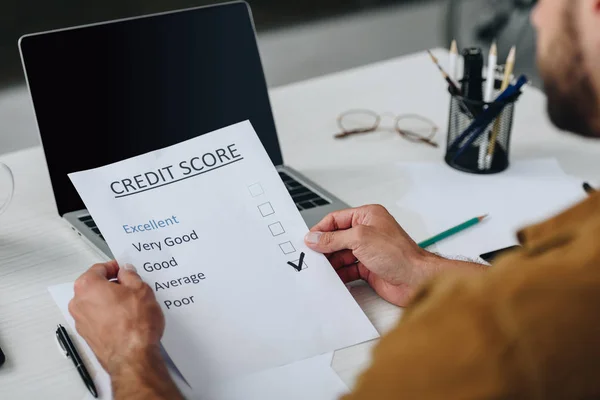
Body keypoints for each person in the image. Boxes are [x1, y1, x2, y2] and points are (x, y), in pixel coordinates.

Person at [68, 0, 600, 398]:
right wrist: (422, 268)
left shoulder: (489, 341)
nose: (536, 17)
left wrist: (128, 355)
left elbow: (549, 314)